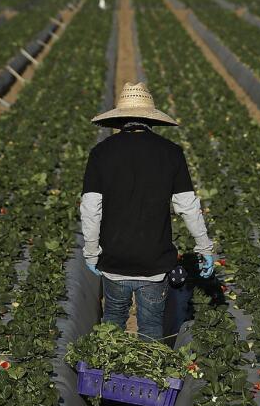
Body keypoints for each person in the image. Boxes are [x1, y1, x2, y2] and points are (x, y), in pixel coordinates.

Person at [80, 82, 216, 341]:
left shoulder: (101, 153)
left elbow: (90, 208)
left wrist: (91, 250)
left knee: (112, 323)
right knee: (152, 326)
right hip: (155, 261)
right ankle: (148, 378)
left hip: (114, 260)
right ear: (150, 120)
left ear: (120, 120)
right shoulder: (171, 153)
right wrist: (204, 247)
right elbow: (188, 206)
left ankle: (108, 377)